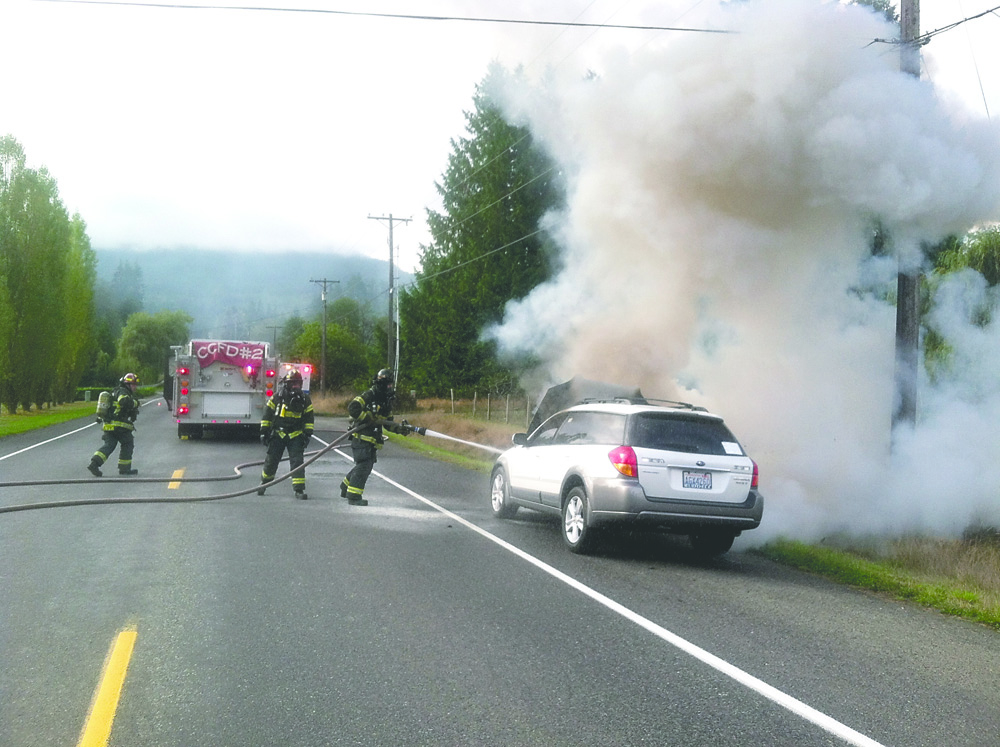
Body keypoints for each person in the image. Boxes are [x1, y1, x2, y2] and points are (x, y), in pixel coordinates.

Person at [340, 368, 410, 506]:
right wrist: (367, 418)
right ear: (381, 384)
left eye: (391, 385)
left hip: (371, 441)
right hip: (361, 438)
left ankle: (345, 486)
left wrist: (400, 429)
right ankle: (353, 496)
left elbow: (388, 423)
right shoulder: (369, 395)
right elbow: (353, 407)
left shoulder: (385, 401)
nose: (390, 387)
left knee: (365, 464)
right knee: (364, 465)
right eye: (388, 385)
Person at [258, 370, 315, 499]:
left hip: (296, 435)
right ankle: (264, 484)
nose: (295, 386)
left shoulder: (305, 400)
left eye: (298, 383)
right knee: (271, 461)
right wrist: (264, 432)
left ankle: (299, 490)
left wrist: (307, 435)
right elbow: (267, 415)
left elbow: (309, 418)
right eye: (293, 383)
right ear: (287, 384)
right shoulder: (277, 397)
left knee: (297, 463)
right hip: (278, 434)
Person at [87, 372, 141, 477]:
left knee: (109, 445)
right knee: (127, 443)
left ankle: (94, 464)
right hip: (119, 426)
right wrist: (135, 403)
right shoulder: (123, 391)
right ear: (127, 384)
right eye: (133, 384)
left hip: (109, 425)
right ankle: (124, 468)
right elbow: (124, 401)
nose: (135, 387)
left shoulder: (117, 391)